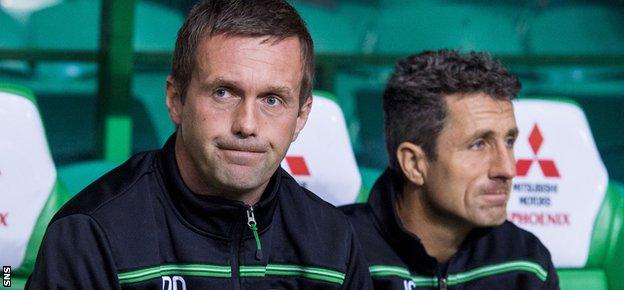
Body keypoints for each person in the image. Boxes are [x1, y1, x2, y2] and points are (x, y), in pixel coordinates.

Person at [27, 1, 372, 289]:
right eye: (223, 93)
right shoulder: (91, 235)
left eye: (272, 99)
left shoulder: (334, 242)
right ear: (176, 100)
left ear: (300, 116)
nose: (247, 125)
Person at [341, 50, 559, 289]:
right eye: (478, 145)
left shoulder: (526, 261)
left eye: (509, 141)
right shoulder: (333, 253)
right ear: (414, 164)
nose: (507, 169)